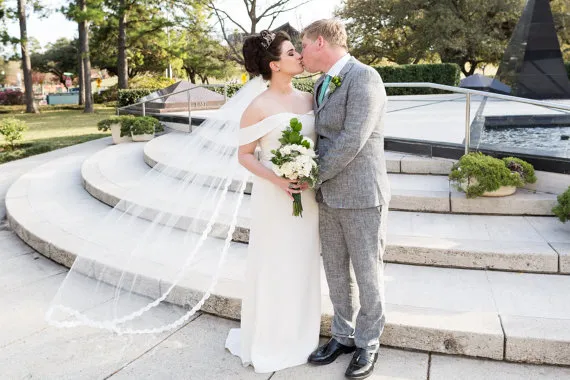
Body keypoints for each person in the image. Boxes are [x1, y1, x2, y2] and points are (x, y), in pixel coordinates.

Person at [224, 30, 322, 373]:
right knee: (277, 262)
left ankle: (302, 333)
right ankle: (273, 337)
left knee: (304, 260)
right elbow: (245, 156)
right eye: (292, 52)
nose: (300, 56)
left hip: (306, 196)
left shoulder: (311, 98)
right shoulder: (258, 106)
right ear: (274, 64)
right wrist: (279, 179)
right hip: (274, 197)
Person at [300, 19, 391, 379]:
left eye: (303, 46)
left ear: (319, 42)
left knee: (368, 274)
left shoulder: (365, 77)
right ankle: (342, 335)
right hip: (328, 196)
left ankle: (368, 342)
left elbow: (352, 139)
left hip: (362, 195)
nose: (301, 53)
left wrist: (309, 175)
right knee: (336, 271)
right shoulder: (322, 82)